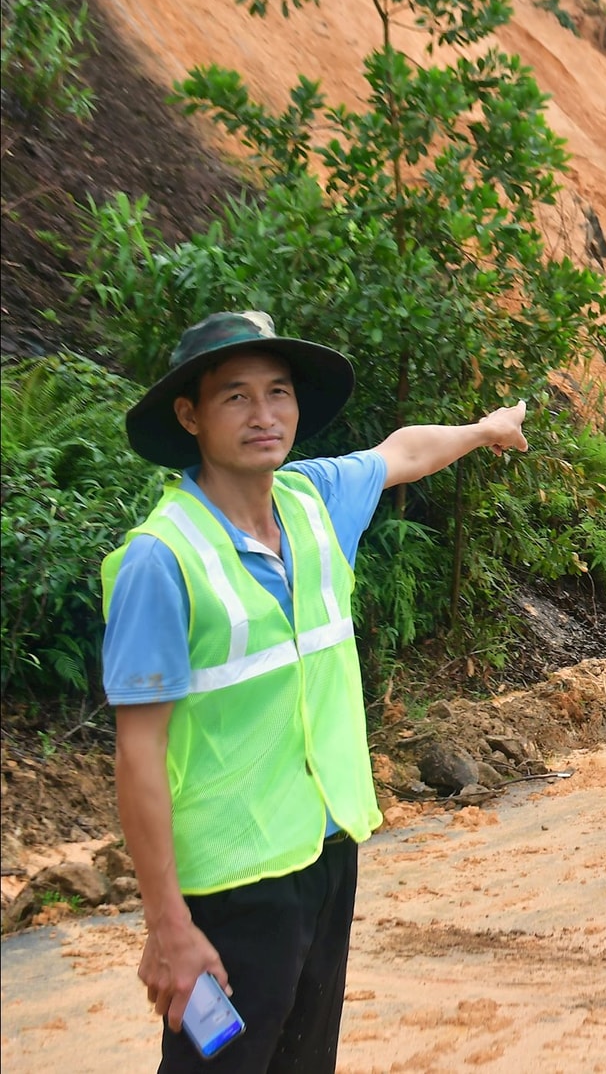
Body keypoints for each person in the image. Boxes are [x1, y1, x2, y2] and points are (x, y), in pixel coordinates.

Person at [102, 311, 528, 1072]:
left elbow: (402, 452)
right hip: (232, 886)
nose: (264, 414)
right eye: (236, 396)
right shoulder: (161, 560)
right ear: (190, 416)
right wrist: (166, 925)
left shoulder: (311, 501)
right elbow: (138, 754)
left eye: (278, 392)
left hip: (327, 854)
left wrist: (485, 429)